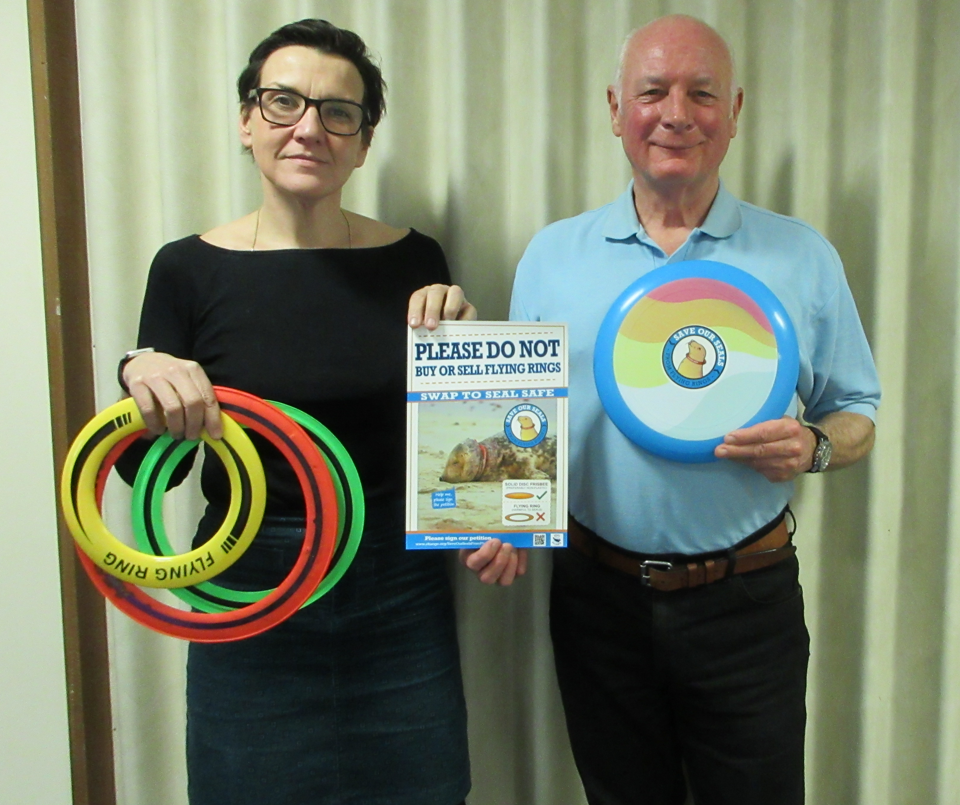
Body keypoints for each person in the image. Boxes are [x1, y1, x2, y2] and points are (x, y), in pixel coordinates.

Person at [500, 14, 881, 805]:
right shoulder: (551, 257)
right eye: (653, 92)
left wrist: (812, 445)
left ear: (734, 111)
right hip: (596, 601)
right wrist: (497, 515)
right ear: (615, 110)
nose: (676, 113)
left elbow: (857, 413)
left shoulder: (801, 255)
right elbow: (517, 419)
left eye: (701, 93)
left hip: (748, 603)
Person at [116, 19, 474, 805]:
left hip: (396, 584)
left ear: (363, 139)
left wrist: (467, 350)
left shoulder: (416, 260)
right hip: (247, 585)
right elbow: (147, 469)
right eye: (283, 103)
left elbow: (458, 444)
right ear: (247, 122)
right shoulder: (185, 269)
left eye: (337, 111)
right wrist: (140, 371)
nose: (308, 126)